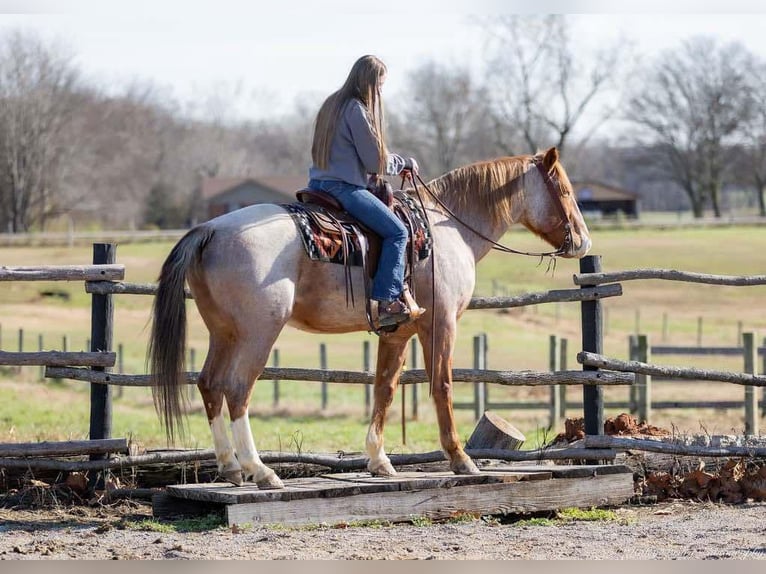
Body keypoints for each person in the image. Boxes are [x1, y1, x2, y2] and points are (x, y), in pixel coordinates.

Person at [308, 55, 424, 328]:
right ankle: (387, 300)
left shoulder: (330, 105)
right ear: (369, 83)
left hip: (317, 185)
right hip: (344, 189)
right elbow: (375, 161)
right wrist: (404, 162)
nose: (380, 93)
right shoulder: (356, 109)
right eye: (380, 86)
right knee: (398, 232)